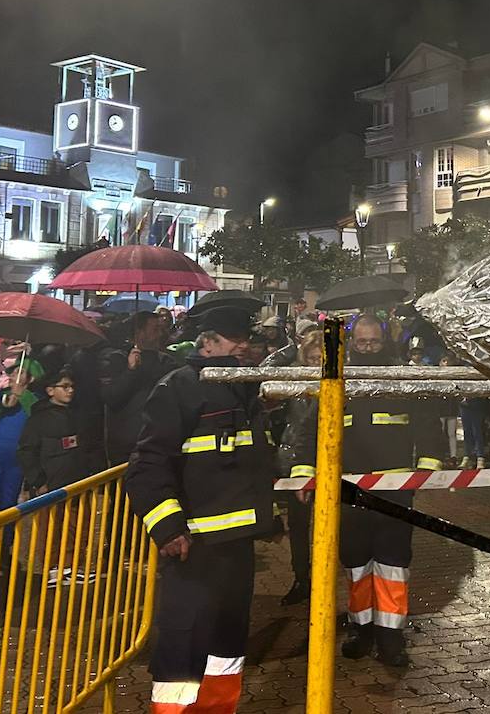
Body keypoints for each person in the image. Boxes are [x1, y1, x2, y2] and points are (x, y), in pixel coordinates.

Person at [126, 306, 273, 714]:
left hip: (237, 545)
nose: (244, 346)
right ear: (206, 343)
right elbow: (147, 466)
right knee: (184, 643)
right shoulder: (180, 387)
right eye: (233, 338)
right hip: (195, 545)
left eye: (246, 338)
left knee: (227, 644)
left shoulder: (245, 389)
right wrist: (169, 528)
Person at [291, 315, 446, 667]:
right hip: (346, 494)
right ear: (351, 343)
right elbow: (309, 431)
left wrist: (426, 470)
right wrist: (304, 473)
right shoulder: (337, 380)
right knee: (356, 563)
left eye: (373, 342)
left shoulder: (401, 378)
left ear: (384, 341)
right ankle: (361, 628)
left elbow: (428, 428)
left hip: (394, 495)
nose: (367, 349)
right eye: (361, 343)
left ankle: (391, 637)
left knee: (393, 565)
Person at [275, 323, 324, 606]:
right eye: (312, 358)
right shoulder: (292, 381)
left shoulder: (338, 382)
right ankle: (301, 578)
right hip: (294, 460)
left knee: (326, 524)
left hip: (327, 460)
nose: (316, 364)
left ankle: (322, 574)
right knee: (297, 524)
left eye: (322, 359)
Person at [101, 312, 178, 465]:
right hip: (125, 442)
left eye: (161, 328)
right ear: (139, 332)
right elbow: (112, 397)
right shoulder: (117, 358)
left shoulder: (167, 362)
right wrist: (131, 371)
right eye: (155, 329)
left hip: (157, 439)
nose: (160, 334)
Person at [17, 371, 107, 495]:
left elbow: (91, 445)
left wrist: (95, 473)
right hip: (50, 491)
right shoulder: (38, 419)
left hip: (80, 487)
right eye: (65, 386)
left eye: (72, 386)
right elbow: (27, 452)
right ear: (50, 391)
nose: (70, 390)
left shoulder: (80, 415)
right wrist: (39, 482)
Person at [0, 349, 43, 518]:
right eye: (12, 372)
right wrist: (5, 401)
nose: (13, 376)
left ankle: (6, 542)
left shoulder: (35, 400)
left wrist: (23, 396)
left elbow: (36, 415)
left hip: (16, 460)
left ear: (31, 378)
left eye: (19, 372)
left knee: (9, 504)